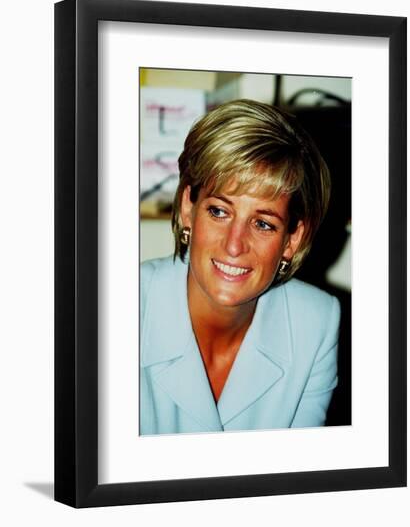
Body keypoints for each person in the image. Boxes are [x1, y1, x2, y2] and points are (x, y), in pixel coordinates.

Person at [140, 99, 340, 435]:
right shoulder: (113, 305)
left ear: (292, 239)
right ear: (189, 209)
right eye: (219, 211)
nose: (234, 245)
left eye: (263, 224)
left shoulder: (316, 322)